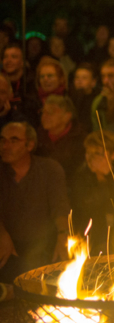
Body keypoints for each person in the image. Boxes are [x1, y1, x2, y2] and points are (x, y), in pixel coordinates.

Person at [0, 121, 70, 284]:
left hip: (42, 244)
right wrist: (2, 234)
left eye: (14, 140)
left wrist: (63, 235)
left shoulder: (49, 169)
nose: (5, 146)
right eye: (3, 140)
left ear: (30, 145)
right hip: (8, 244)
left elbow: (60, 207)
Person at [36, 95, 86, 184]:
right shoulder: (38, 135)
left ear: (67, 116)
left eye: (50, 113)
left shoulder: (80, 140)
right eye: (43, 112)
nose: (44, 116)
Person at [91, 58, 114, 131]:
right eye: (103, 76)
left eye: (111, 76)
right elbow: (97, 131)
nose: (105, 81)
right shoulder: (98, 101)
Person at [70, 63, 99, 132]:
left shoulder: (97, 101)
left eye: (84, 78)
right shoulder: (70, 99)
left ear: (93, 82)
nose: (79, 81)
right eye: (77, 77)